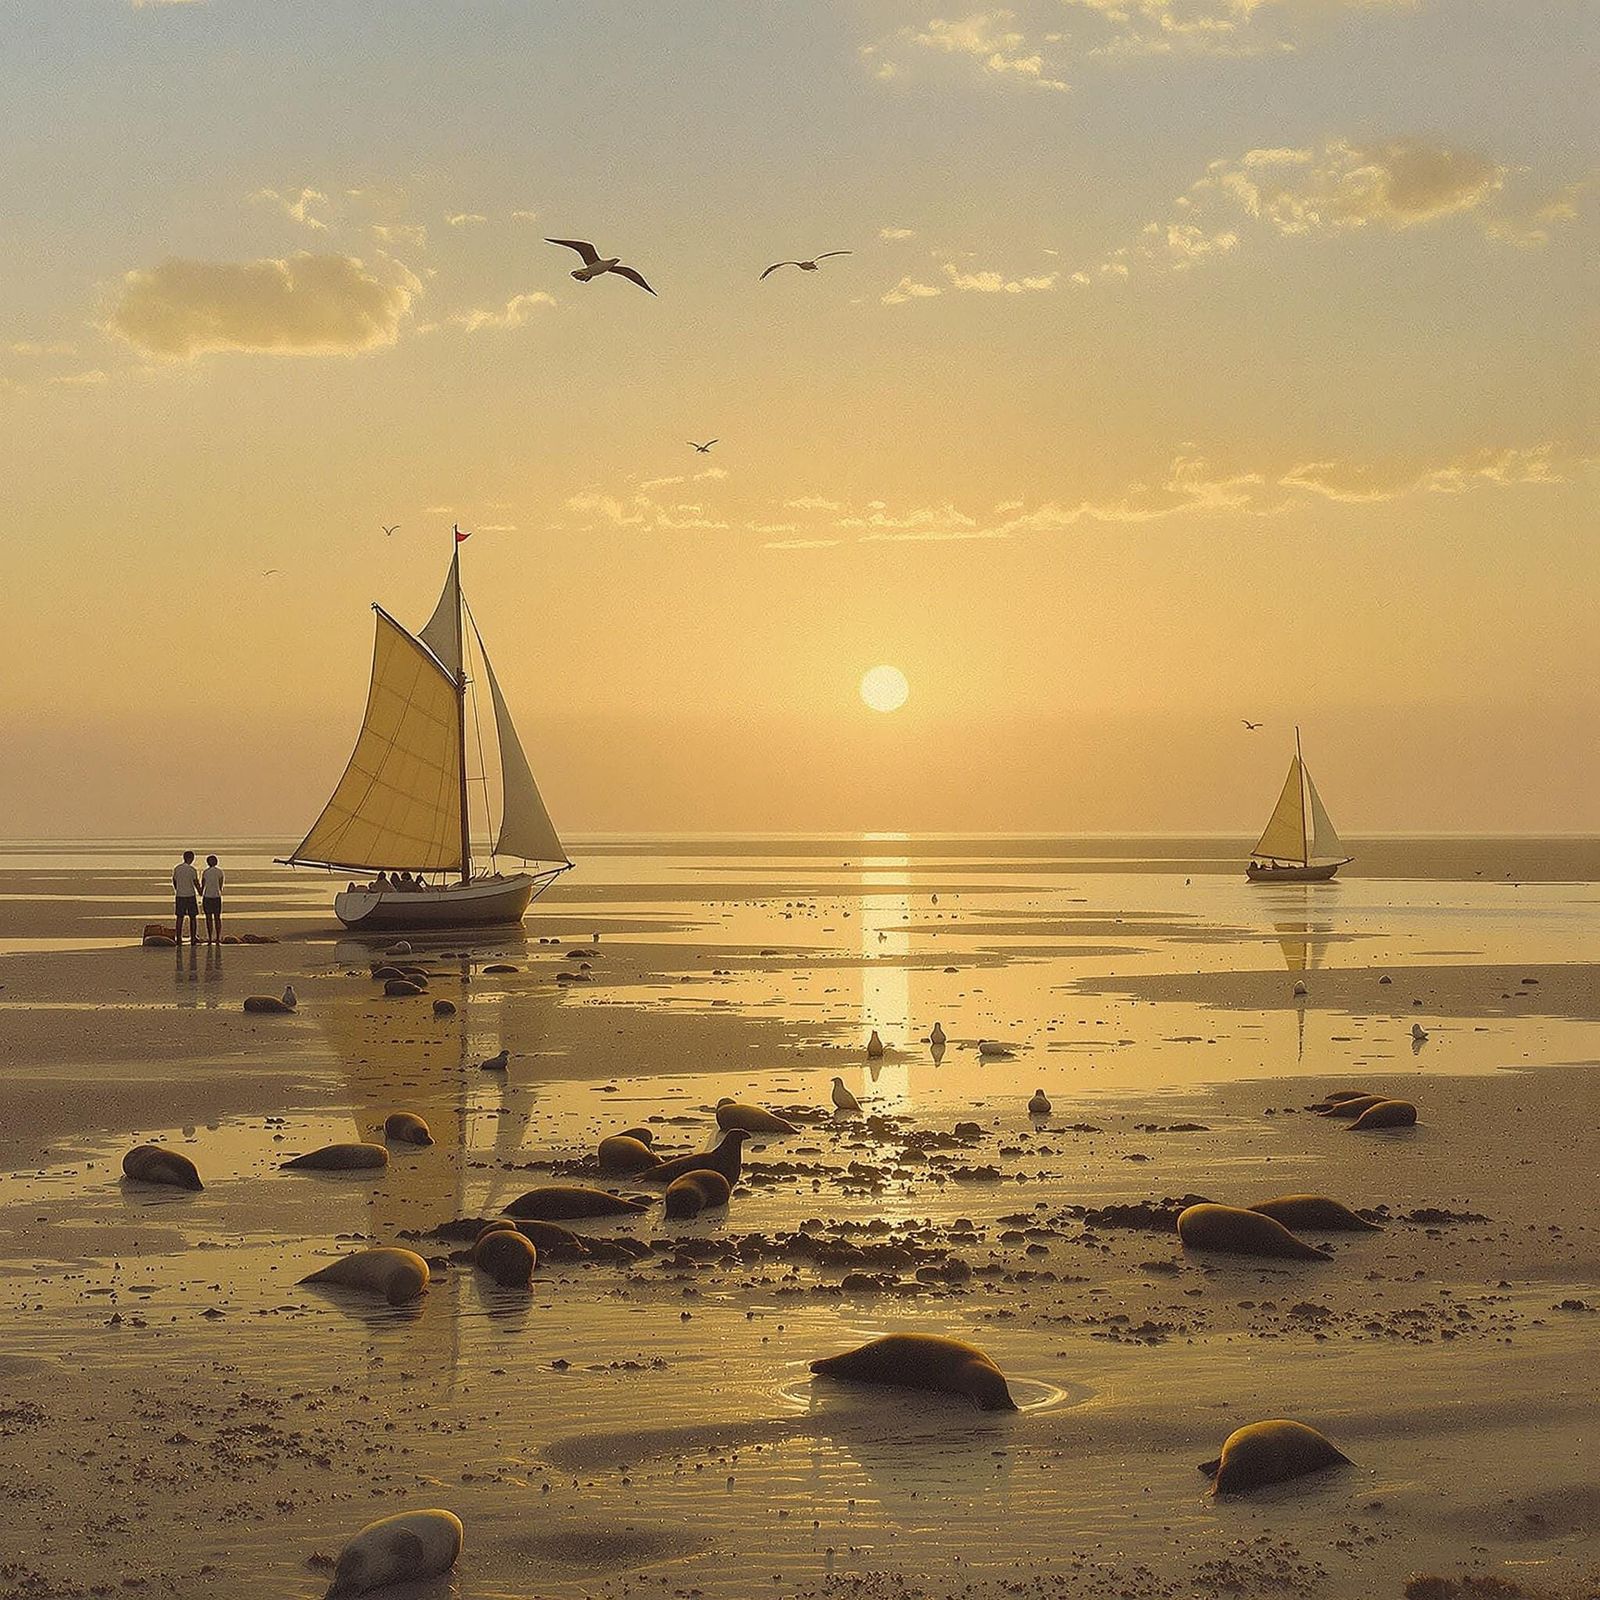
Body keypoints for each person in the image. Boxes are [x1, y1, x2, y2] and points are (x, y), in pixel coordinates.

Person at [171, 850, 200, 946]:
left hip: (180, 895)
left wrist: (178, 889)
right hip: (190, 895)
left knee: (180, 917)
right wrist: (200, 892)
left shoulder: (177, 868)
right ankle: (193, 937)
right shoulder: (192, 870)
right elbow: (196, 882)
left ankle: (179, 937)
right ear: (191, 858)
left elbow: (174, 881)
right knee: (193, 917)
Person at [200, 854, 225, 945]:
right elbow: (220, 885)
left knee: (208, 918)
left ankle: (210, 938)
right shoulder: (220, 872)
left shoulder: (205, 872)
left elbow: (203, 884)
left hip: (207, 896)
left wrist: (201, 892)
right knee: (217, 917)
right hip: (216, 896)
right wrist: (218, 891)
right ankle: (217, 937)